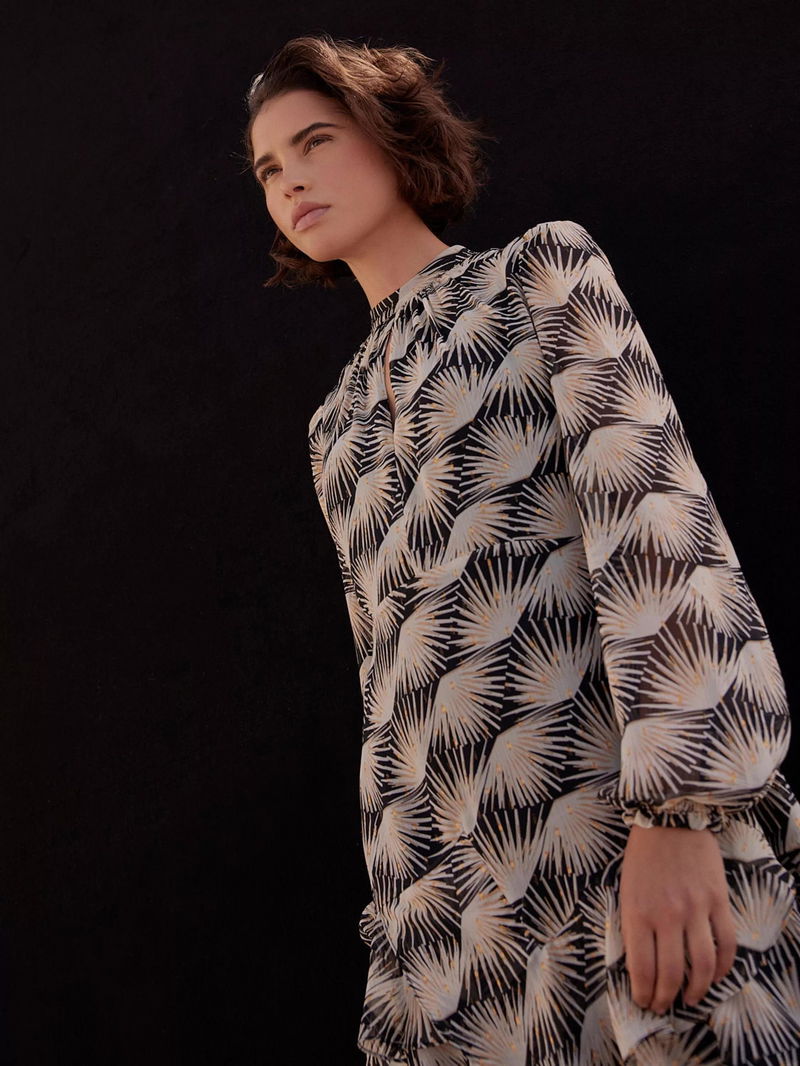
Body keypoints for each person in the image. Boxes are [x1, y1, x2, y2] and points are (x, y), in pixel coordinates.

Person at [241, 33, 800, 1066]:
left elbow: (655, 520)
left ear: (391, 138)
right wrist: (404, 936)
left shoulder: (536, 274)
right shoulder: (335, 429)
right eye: (269, 168)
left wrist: (678, 818)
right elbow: (389, 693)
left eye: (315, 142)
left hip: (616, 851)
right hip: (457, 927)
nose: (290, 182)